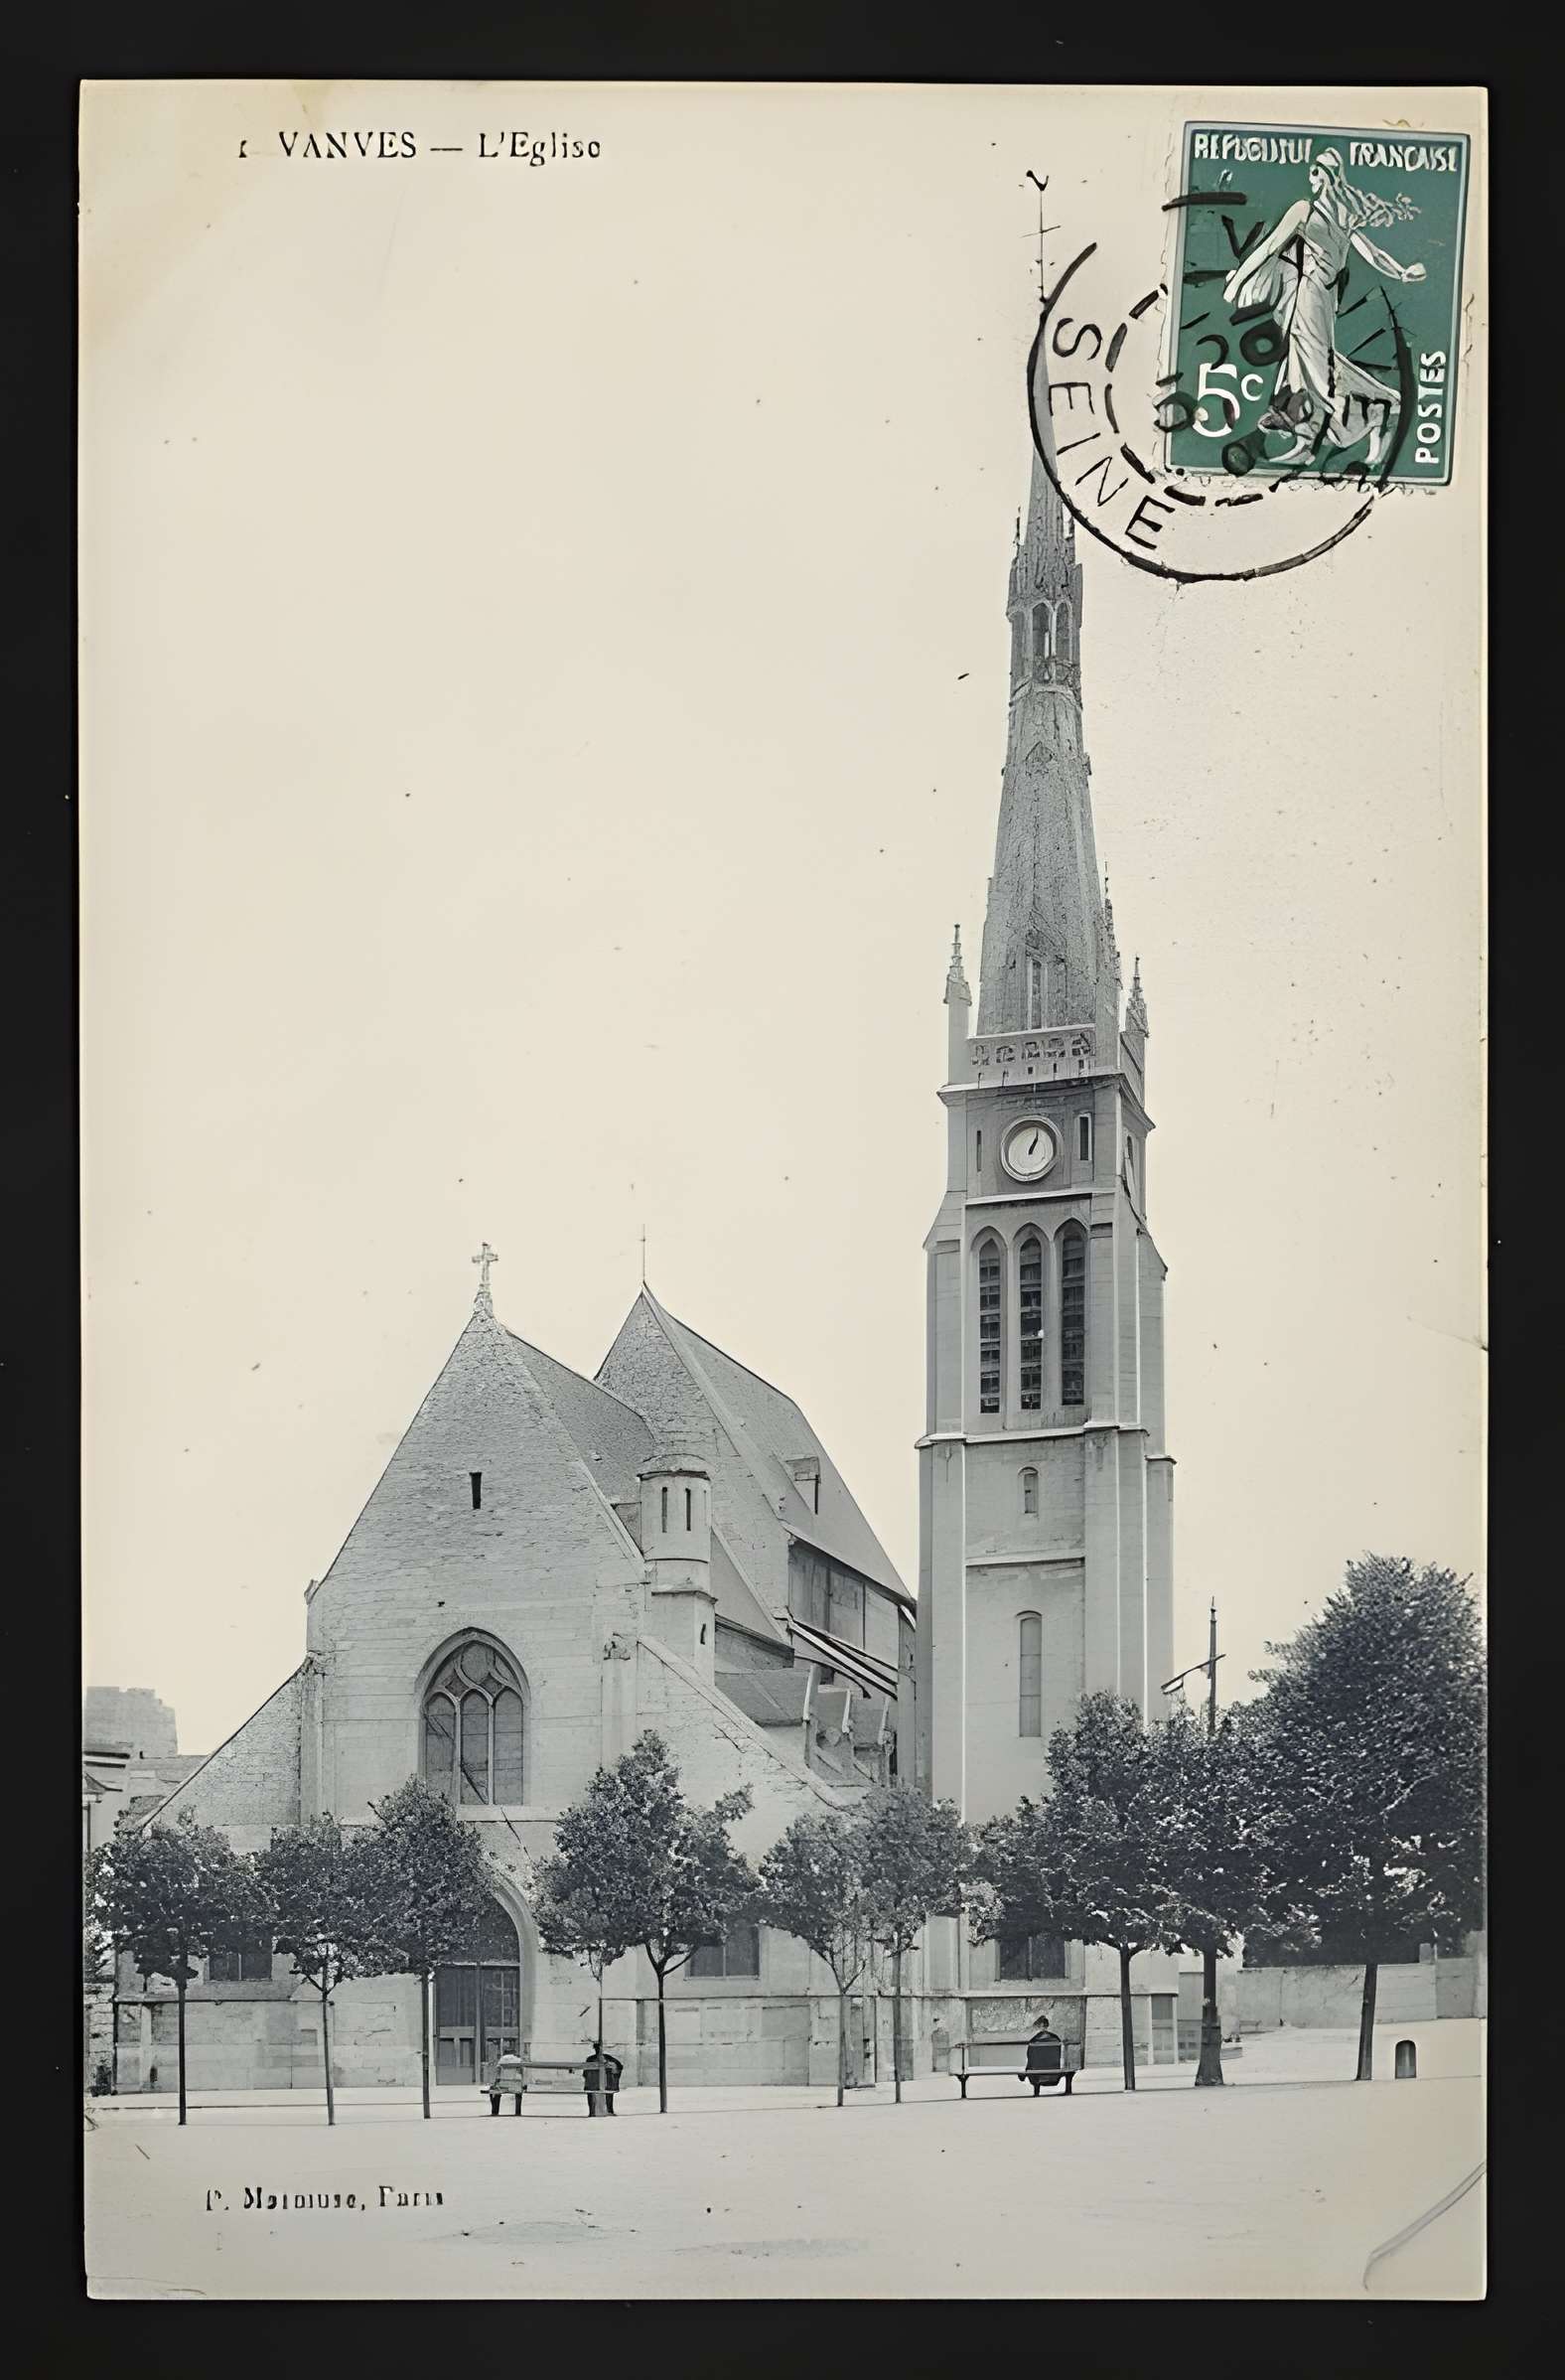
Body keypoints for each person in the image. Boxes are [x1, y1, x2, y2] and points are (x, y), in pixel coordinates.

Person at [1222, 148, 1426, 468]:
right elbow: (1273, 246)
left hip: (1314, 296)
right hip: (1310, 294)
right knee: (1300, 368)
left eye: (1316, 173)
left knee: (1318, 371)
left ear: (1328, 176)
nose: (1311, 179)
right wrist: (1240, 281)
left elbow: (1370, 255)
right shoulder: (1318, 212)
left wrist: (1401, 273)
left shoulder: (1321, 213)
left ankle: (1377, 407)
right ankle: (1308, 442)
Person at [1022, 2017, 1065, 2095]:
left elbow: (1031, 2059)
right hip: (1054, 2076)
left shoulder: (1034, 2040)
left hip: (1037, 2077)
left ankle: (1036, 2092)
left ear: (1039, 2026)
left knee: (1032, 2067)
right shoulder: (1056, 2039)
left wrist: (1026, 2071)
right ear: (1047, 2025)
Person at [582, 2040, 623, 2117]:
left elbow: (585, 2073)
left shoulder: (595, 2058)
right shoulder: (592, 2059)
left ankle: (594, 2111)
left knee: (597, 2092)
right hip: (599, 2082)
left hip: (601, 2082)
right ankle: (604, 2110)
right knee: (595, 2092)